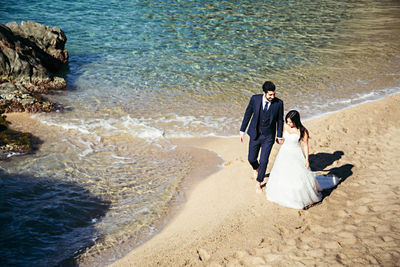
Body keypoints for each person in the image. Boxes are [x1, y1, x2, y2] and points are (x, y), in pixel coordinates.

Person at [265, 110, 322, 209]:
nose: (289, 124)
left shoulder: (303, 131)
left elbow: (305, 145)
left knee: (297, 175)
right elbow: (280, 138)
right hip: (284, 153)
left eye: (291, 122)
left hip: (296, 154)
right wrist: (279, 140)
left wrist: (307, 159)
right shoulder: (284, 126)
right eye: (287, 121)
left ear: (296, 121)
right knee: (282, 173)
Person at [240, 81, 284, 193]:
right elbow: (248, 114)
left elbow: (280, 120)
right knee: (251, 159)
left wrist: (279, 136)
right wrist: (242, 130)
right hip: (255, 134)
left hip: (268, 137)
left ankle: (259, 183)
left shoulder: (279, 103)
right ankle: (256, 168)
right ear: (264, 93)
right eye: (270, 95)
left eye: (274, 94)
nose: (272, 97)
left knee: (264, 160)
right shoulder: (255, 99)